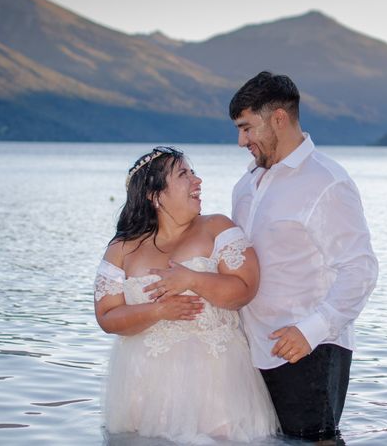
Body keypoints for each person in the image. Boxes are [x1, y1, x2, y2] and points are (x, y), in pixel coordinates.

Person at [229, 71, 379, 440]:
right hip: (251, 351)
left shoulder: (327, 181)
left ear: (278, 118)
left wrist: (310, 332)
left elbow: (360, 270)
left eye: (247, 128)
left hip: (308, 352)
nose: (240, 141)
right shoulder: (247, 183)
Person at [93, 146, 279, 442]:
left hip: (214, 386)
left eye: (193, 172)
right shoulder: (122, 248)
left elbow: (245, 289)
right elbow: (106, 316)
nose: (198, 180)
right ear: (155, 196)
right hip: (143, 388)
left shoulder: (217, 228)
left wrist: (192, 279)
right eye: (184, 174)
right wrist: (158, 311)